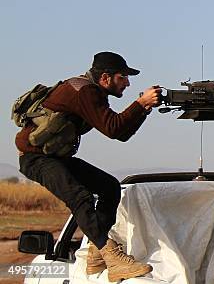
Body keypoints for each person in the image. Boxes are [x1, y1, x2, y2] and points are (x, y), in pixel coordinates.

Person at [15, 51, 162, 282]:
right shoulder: (85, 91)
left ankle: (95, 252)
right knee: (80, 197)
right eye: (123, 77)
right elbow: (113, 128)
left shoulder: (90, 90)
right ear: (105, 78)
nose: (128, 83)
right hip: (36, 159)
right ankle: (111, 255)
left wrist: (143, 108)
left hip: (56, 157)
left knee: (109, 187)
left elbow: (120, 133)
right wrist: (140, 103)